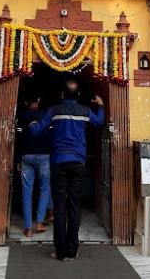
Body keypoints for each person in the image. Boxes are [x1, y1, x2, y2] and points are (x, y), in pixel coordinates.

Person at [30, 79, 104, 260]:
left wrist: (32, 123)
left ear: (62, 94)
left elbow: (36, 130)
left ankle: (60, 251)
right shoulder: (85, 111)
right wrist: (101, 106)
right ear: (78, 95)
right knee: (74, 206)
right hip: (78, 163)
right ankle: (73, 250)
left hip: (59, 163)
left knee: (60, 206)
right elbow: (98, 123)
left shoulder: (54, 111)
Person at [16, 95, 53, 237]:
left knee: (27, 192)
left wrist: (18, 159)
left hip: (26, 156)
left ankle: (28, 228)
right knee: (44, 189)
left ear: (26, 101)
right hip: (44, 156)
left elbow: (18, 139)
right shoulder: (45, 115)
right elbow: (51, 135)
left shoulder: (22, 116)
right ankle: (39, 222)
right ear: (38, 100)